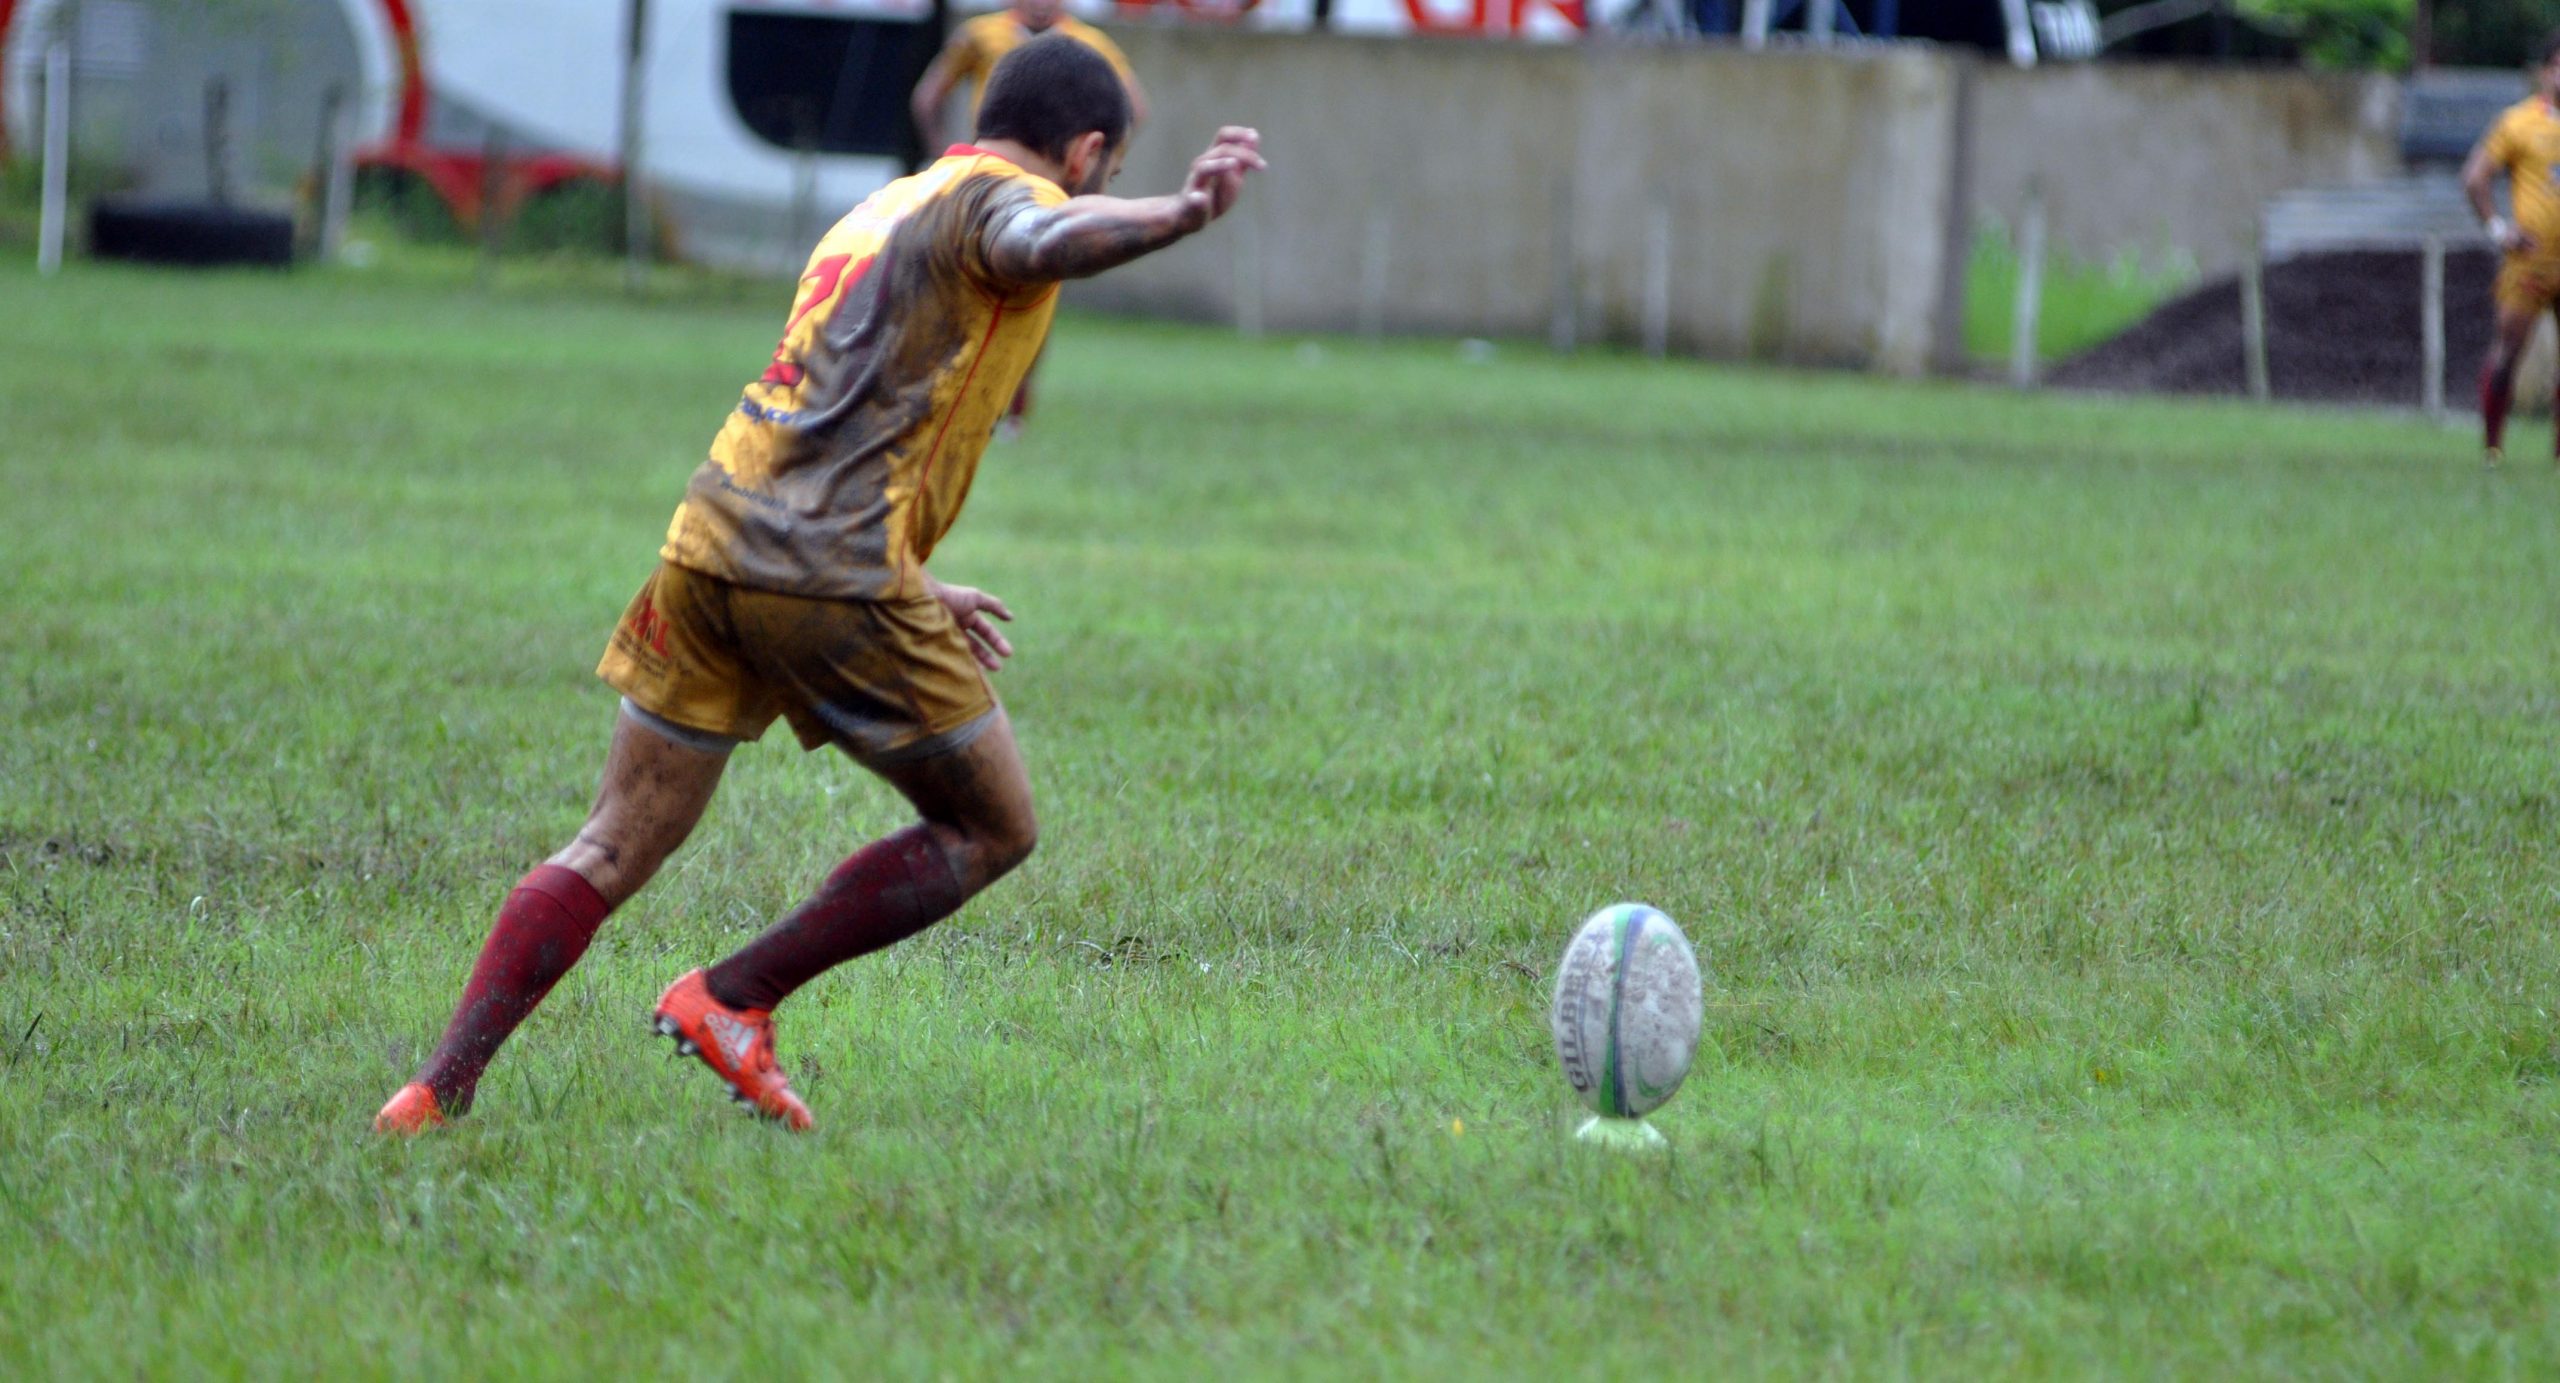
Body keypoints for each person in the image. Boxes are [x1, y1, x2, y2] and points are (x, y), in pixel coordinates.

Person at [375, 37, 1264, 1134]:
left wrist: (914, 578)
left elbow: (838, 404)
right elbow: (1044, 234)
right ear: (1084, 151)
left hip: (713, 540)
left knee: (609, 841)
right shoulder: (1006, 200)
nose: (1104, 186)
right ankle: (731, 999)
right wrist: (1176, 216)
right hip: (822, 569)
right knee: (993, 827)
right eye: (1112, 169)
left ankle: (435, 1089)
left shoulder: (886, 205)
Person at [2465, 30, 2560, 467]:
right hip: (2529, 260)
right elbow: (2475, 177)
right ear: (2546, 70)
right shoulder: (2519, 122)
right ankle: (2493, 447)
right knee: (2508, 350)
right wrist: (2500, 230)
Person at [910, 0, 1150, 156]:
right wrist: (939, 154)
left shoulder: (1090, 42)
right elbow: (927, 97)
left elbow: (1136, 108)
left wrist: (1100, 162)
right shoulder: (980, 34)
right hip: (993, 162)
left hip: (1056, 166)